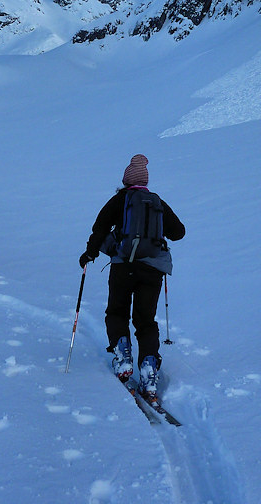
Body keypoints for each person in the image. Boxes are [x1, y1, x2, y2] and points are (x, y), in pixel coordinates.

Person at [79, 154, 185, 400]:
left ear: (126, 180)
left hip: (123, 266)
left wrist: (90, 253)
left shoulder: (119, 200)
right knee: (145, 320)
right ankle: (149, 369)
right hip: (152, 270)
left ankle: (123, 358)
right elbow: (179, 232)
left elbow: (100, 227)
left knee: (117, 312)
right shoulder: (157, 202)